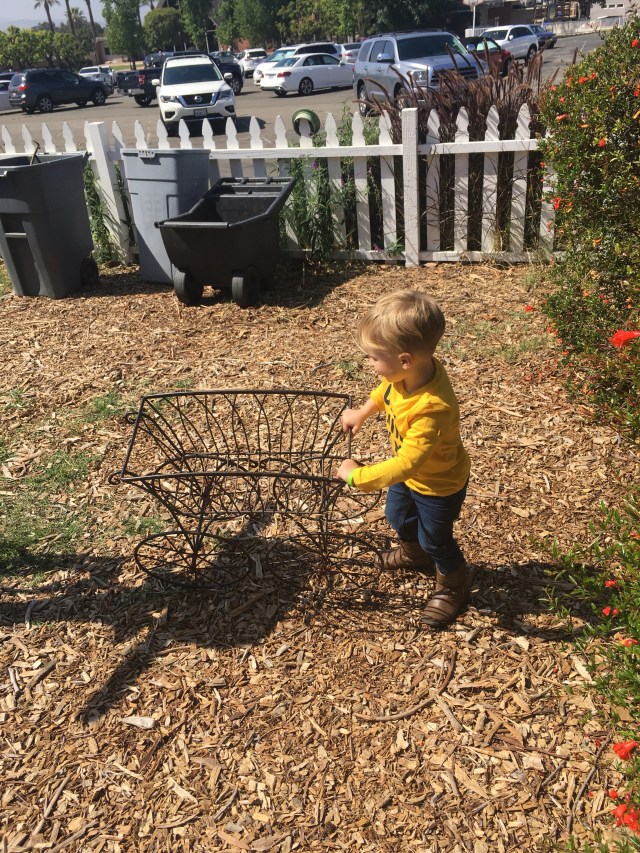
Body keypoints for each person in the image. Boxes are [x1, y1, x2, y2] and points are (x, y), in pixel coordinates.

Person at [336, 290, 472, 628]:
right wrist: (362, 412)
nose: (370, 364)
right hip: (411, 478)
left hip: (439, 485)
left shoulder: (432, 408)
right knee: (397, 514)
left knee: (435, 539)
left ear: (405, 360)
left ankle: (453, 583)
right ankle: (415, 554)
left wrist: (357, 476)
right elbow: (384, 392)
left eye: (374, 357)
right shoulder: (406, 376)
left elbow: (407, 464)